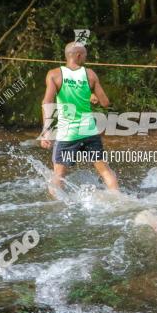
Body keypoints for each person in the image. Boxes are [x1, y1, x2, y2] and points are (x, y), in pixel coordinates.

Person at [39, 41, 118, 197]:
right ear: (78, 55)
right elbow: (105, 103)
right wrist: (92, 95)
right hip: (89, 131)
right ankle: (119, 200)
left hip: (67, 134)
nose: (86, 58)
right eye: (85, 55)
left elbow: (47, 102)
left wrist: (46, 131)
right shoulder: (90, 75)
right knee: (105, 171)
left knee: (58, 176)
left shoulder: (54, 74)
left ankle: (57, 209)